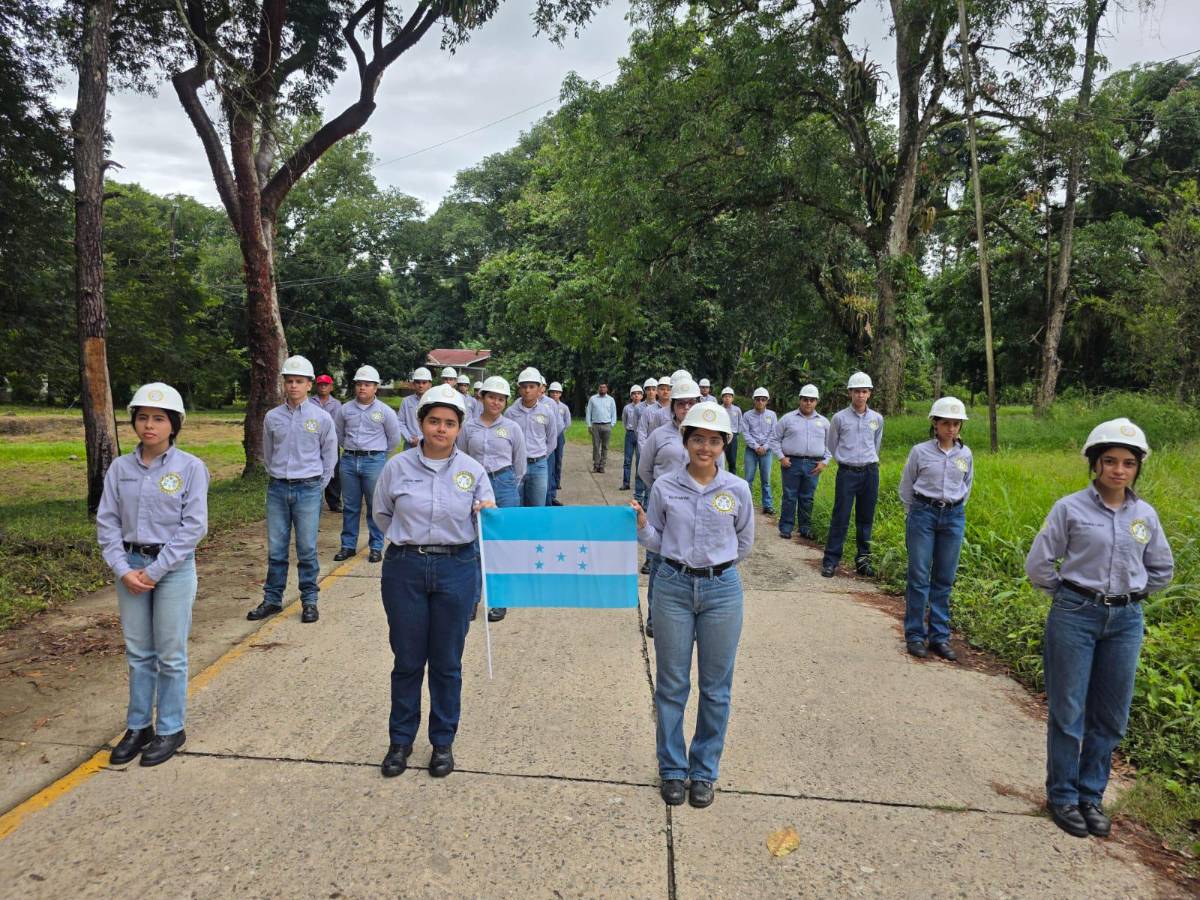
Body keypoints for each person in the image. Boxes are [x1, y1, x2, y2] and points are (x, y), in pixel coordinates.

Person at [1025, 418, 1173, 839]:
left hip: (1125, 621)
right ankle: (1063, 796)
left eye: (1128, 463)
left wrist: (1134, 596)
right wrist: (1069, 596)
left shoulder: (1145, 515)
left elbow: (1161, 567)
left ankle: (1092, 795)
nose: (1118, 470)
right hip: (1075, 615)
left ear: (1138, 467)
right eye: (1109, 461)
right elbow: (1039, 563)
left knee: (1110, 715)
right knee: (1069, 712)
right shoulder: (1069, 508)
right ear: (1095, 464)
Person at [632, 402, 754, 809]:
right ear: (685, 441)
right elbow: (656, 539)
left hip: (721, 592)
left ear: (724, 445)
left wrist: (714, 567)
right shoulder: (666, 486)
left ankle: (703, 771)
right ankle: (672, 768)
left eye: (714, 440)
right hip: (672, 588)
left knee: (716, 689)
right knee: (672, 684)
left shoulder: (737, 489)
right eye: (697, 438)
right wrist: (642, 528)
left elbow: (744, 543)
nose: (705, 447)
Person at [372, 384, 496, 779]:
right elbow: (382, 515)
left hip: (456, 569)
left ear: (460, 428)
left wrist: (485, 513)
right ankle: (401, 741)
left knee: (446, 663)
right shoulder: (397, 467)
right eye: (433, 421)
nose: (440, 429)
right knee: (407, 661)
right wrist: (413, 542)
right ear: (421, 423)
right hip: (405, 569)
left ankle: (442, 742)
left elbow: (487, 523)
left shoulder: (473, 472)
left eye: (449, 423)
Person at [96, 383, 209, 767]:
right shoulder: (120, 468)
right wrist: (123, 569)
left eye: (159, 419)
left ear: (174, 425)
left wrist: (156, 571)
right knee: (139, 652)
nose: (149, 426)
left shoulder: (190, 468)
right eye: (142, 418)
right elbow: (107, 522)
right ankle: (139, 725)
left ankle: (171, 728)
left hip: (172, 569)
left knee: (170, 653)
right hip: (129, 566)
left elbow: (193, 527)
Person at [246, 356, 338, 624]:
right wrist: (277, 476)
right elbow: (268, 451)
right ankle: (272, 599)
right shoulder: (272, 417)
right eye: (289, 381)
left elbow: (329, 456)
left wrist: (317, 486)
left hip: (308, 487)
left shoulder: (321, 418)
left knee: (307, 548)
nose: (294, 386)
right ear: (284, 384)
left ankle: (309, 599)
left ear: (310, 385)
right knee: (276, 548)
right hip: (277, 488)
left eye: (299, 381)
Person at [898, 397, 973, 661]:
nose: (951, 429)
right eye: (945, 423)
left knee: (944, 577)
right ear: (935, 424)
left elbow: (967, 486)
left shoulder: (965, 454)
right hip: (923, 514)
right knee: (919, 576)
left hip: (953, 517)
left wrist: (954, 509)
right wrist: (913, 514)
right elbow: (907, 485)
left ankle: (939, 636)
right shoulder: (920, 452)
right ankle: (915, 635)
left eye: (956, 424)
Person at [459, 375, 527, 624]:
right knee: (474, 546)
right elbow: (462, 457)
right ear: (482, 397)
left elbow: (520, 464)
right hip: (475, 485)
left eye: (501, 399)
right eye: (491, 397)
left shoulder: (512, 428)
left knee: (501, 544)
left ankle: (499, 601)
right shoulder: (469, 427)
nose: (496, 402)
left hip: (504, 483)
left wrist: (508, 484)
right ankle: (472, 600)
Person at [334, 365, 402, 565]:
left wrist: (378, 454)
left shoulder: (385, 411)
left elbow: (394, 439)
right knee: (350, 506)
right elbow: (339, 434)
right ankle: (348, 546)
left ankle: (376, 546)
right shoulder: (345, 410)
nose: (362, 387)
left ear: (375, 387)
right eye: (359, 384)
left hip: (374, 461)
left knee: (375, 506)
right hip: (349, 460)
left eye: (367, 384)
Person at [821, 372, 883, 578]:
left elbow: (876, 444)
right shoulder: (839, 418)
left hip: (870, 472)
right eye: (856, 391)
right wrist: (844, 460)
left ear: (870, 394)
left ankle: (863, 561)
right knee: (841, 516)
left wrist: (867, 461)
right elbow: (832, 444)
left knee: (866, 519)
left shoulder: (877, 419)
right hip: (847, 472)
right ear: (850, 393)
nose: (860, 395)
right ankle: (831, 561)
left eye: (864, 391)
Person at [770, 385, 831, 540]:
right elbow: (774, 439)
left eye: (811, 400)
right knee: (789, 496)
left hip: (813, 464)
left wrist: (825, 462)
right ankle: (786, 527)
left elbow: (832, 444)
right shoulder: (787, 418)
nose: (808, 403)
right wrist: (781, 457)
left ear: (816, 401)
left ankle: (805, 528)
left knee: (807, 497)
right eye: (805, 399)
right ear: (800, 400)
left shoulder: (823, 422)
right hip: (792, 462)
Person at [507, 367, 559, 508]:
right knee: (515, 505)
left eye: (532, 386)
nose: (527, 390)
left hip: (539, 466)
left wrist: (540, 456)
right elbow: (506, 441)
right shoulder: (510, 413)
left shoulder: (547, 412)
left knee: (537, 507)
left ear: (539, 388)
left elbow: (552, 440)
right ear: (519, 389)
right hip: (515, 466)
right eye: (524, 387)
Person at [741, 387, 777, 516]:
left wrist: (765, 447)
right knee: (748, 478)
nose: (760, 402)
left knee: (766, 480)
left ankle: (767, 505)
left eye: (763, 399)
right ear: (754, 400)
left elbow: (774, 434)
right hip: (751, 450)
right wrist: (756, 446)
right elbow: (745, 433)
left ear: (767, 401)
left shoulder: (772, 415)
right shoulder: (747, 415)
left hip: (766, 451)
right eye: (758, 399)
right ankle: (747, 505)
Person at [311, 374, 342, 512]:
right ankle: (314, 499)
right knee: (314, 469)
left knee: (333, 469)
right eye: (320, 384)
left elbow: (338, 424)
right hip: (313, 440)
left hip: (331, 440)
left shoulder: (337, 404)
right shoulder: (310, 402)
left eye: (326, 384)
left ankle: (334, 501)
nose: (323, 387)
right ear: (316, 386)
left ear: (331, 387)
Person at [546, 381, 571, 506]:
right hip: (547, 436)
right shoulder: (546, 405)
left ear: (560, 394)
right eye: (553, 392)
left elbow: (567, 422)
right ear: (549, 393)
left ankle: (556, 485)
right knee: (549, 462)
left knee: (558, 461)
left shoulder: (564, 407)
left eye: (557, 392)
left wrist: (560, 432)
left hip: (559, 435)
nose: (555, 394)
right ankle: (548, 492)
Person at [634, 379, 658, 505]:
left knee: (653, 473)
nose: (651, 392)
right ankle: (638, 498)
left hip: (657, 446)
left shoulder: (662, 408)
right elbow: (637, 428)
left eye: (653, 389)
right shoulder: (639, 408)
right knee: (640, 471)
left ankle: (648, 502)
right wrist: (642, 446)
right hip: (642, 444)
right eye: (648, 389)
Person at [585, 382, 618, 474]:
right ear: (598, 389)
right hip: (595, 425)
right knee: (596, 446)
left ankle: (602, 465)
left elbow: (613, 413)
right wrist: (589, 425)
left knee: (605, 446)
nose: (602, 389)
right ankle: (596, 465)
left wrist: (612, 424)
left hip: (607, 425)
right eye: (601, 387)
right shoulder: (593, 399)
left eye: (604, 387)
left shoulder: (611, 400)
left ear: (607, 389)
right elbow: (588, 412)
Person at [398, 367, 433, 450]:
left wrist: (421, 438)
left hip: (428, 444)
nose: (421, 385)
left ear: (430, 384)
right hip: (409, 445)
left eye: (424, 383)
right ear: (413, 384)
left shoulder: (434, 402)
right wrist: (410, 439)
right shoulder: (406, 401)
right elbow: (400, 422)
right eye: (418, 382)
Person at [621, 384, 644, 491]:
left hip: (641, 435)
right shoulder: (627, 408)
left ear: (642, 396)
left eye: (638, 394)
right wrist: (629, 430)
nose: (636, 396)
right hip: (630, 434)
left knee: (640, 460)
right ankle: (626, 483)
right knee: (627, 459)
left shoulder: (645, 408)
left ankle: (639, 483)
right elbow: (624, 421)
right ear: (631, 396)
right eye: (634, 394)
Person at [720, 387, 742, 477]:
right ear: (722, 398)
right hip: (721, 436)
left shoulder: (737, 410)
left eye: (729, 396)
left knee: (732, 460)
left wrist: (737, 433)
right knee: (719, 459)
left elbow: (740, 422)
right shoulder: (719, 409)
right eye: (725, 396)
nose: (727, 398)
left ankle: (732, 478)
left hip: (733, 436)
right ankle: (720, 477)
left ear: (732, 398)